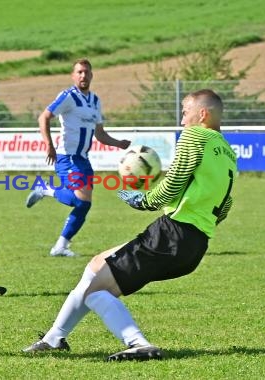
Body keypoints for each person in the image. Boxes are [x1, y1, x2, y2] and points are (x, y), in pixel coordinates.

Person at [23, 89, 237, 361]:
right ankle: (53, 338)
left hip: (172, 234)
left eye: (185, 112)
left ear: (202, 114)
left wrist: (143, 201)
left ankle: (138, 343)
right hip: (196, 244)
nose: (182, 120)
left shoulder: (195, 135)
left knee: (96, 291)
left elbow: (174, 182)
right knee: (96, 265)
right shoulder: (228, 152)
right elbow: (225, 205)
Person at [25, 58, 130, 257]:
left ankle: (60, 247)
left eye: (86, 72)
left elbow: (100, 134)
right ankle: (45, 190)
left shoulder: (95, 101)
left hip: (83, 159)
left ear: (91, 75)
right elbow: (44, 117)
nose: (83, 75)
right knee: (80, 201)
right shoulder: (68, 96)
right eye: (79, 72)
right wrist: (48, 144)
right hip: (68, 157)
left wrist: (119, 143)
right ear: (73, 76)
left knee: (84, 204)